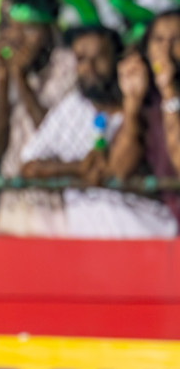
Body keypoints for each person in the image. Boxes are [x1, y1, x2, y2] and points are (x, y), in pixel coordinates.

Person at [22, 26, 178, 238]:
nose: (89, 68)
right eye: (82, 59)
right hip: (91, 249)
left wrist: (132, 103)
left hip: (150, 241)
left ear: (117, 60)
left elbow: (118, 169)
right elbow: (28, 166)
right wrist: (76, 169)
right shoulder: (71, 107)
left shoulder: (148, 106)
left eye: (99, 58)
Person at [0, 0, 78, 235]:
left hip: (56, 203)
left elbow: (52, 137)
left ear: (50, 30)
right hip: (14, 200)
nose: (17, 39)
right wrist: (5, 81)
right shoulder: (2, 70)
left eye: (29, 29)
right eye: (11, 28)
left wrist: (20, 78)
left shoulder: (67, 66)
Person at [111, 12, 180, 224]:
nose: (165, 49)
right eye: (158, 40)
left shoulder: (165, 93)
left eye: (176, 39)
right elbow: (119, 170)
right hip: (161, 225)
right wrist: (131, 103)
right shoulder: (147, 99)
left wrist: (169, 92)